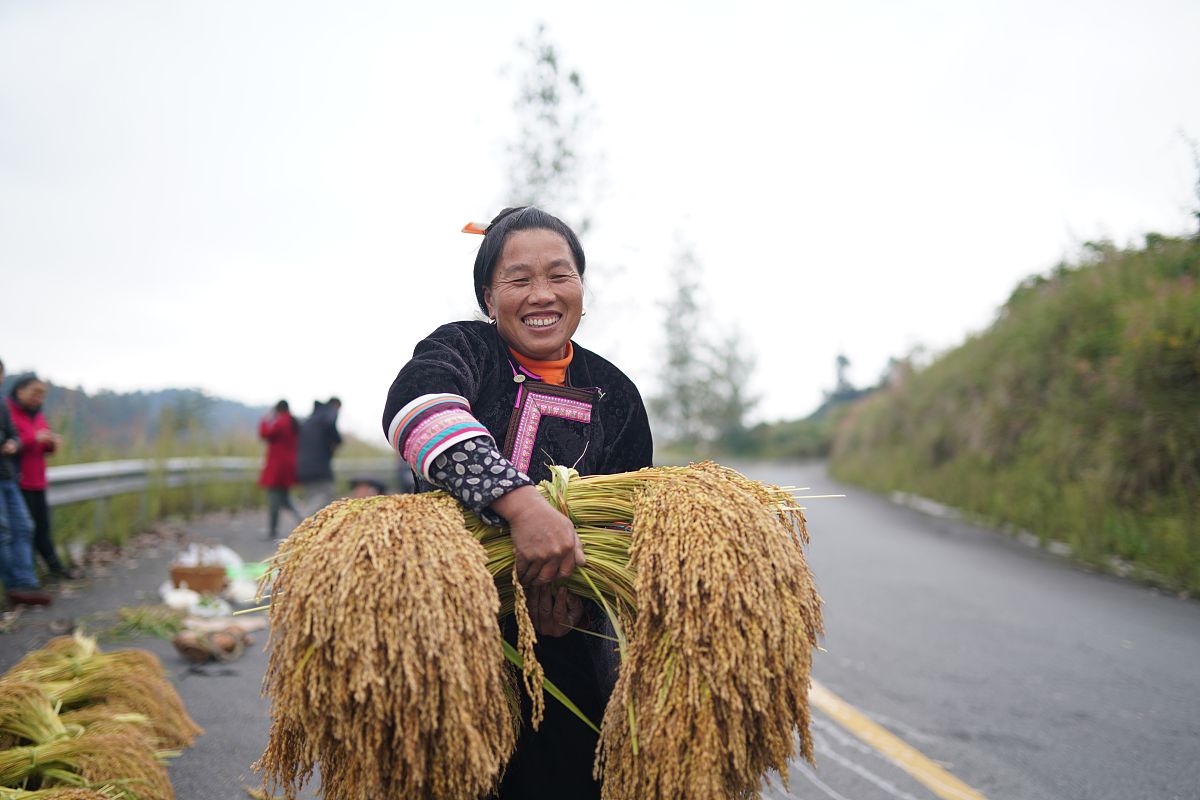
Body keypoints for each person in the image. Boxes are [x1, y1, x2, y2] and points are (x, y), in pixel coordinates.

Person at [381, 207, 652, 800]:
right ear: (488, 297)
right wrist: (520, 506)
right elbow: (415, 411)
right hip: (449, 625)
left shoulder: (616, 394)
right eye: (519, 279)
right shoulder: (464, 350)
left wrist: (576, 598)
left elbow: (628, 524)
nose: (542, 294)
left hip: (563, 638)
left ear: (582, 288)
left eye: (559, 275)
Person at [6, 374, 79, 580]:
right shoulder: (8, 411)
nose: (38, 399)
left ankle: (53, 568)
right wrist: (33, 438)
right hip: (19, 479)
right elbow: (12, 442)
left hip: (38, 479)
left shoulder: (36, 415)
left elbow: (43, 445)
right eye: (35, 393)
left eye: (42, 395)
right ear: (20, 390)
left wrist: (51, 442)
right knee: (24, 530)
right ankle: (28, 575)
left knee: (42, 527)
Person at [0, 360, 51, 606]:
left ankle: (25, 583)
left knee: (24, 527)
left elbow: (14, 436)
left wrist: (14, 444)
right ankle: (12, 585)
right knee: (4, 531)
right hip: (14, 477)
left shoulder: (2, 406)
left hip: (9, 475)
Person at [258, 400, 301, 539]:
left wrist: (264, 420)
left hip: (277, 468)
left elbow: (265, 434)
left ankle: (272, 531)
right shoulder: (293, 422)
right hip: (288, 467)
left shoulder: (282, 422)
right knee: (285, 499)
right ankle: (305, 521)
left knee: (274, 500)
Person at [295, 397, 342, 515]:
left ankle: (314, 529)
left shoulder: (310, 419)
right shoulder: (329, 414)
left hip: (303, 468)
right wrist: (337, 441)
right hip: (319, 468)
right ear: (336, 405)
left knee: (313, 499)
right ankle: (305, 521)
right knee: (328, 494)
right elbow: (332, 428)